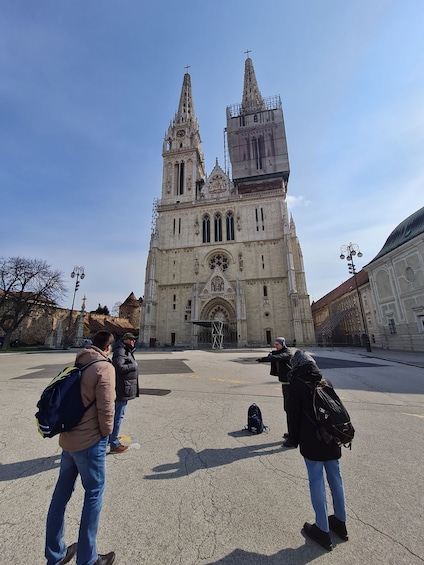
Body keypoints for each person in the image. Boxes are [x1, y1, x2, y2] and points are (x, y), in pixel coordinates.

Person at [45, 331, 116, 565]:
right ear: (107, 348)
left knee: (60, 497)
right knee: (93, 495)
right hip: (90, 443)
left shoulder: (78, 363)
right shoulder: (104, 367)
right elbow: (107, 410)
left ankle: (55, 555)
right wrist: (106, 435)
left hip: (68, 441)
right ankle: (88, 559)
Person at [285, 349, 348, 552]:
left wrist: (293, 440)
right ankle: (340, 521)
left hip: (312, 441)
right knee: (336, 479)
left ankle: (322, 529)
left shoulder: (296, 384)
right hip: (332, 439)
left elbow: (293, 417)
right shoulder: (325, 381)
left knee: (317, 482)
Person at [109, 332, 140, 453]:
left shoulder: (125, 350)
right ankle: (114, 444)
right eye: (132, 340)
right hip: (122, 388)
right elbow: (119, 367)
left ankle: (111, 438)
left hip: (125, 386)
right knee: (118, 416)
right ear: (126, 340)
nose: (134, 342)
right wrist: (134, 365)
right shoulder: (121, 351)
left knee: (117, 415)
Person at [256, 337, 292, 438]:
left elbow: (279, 357)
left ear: (282, 344)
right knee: (288, 409)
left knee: (290, 409)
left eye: (277, 344)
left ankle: (293, 434)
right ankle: (292, 432)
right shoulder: (279, 352)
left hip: (290, 385)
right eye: (274, 344)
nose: (275, 346)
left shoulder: (288, 353)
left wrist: (264, 359)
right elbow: (275, 354)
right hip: (285, 384)